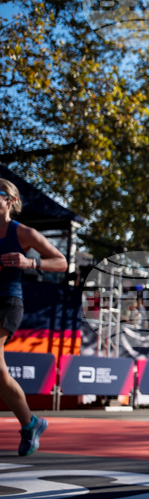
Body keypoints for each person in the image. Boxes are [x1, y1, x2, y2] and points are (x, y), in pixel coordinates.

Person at [0, 179, 67, 456]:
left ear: (10, 201)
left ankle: (31, 423)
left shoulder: (24, 233)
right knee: (0, 374)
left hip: (7, 302)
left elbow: (61, 262)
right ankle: (30, 424)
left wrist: (31, 262)